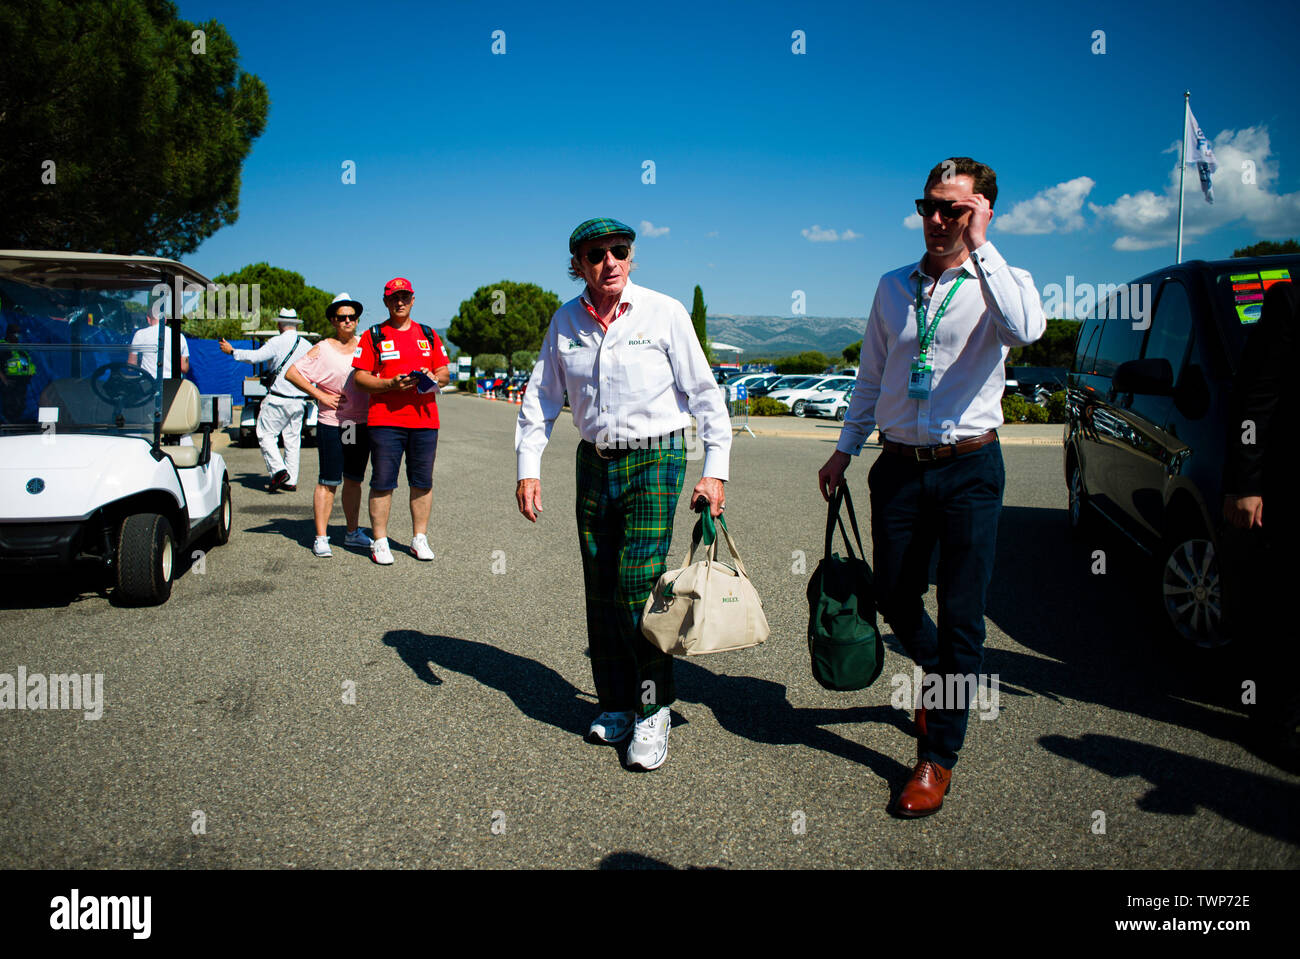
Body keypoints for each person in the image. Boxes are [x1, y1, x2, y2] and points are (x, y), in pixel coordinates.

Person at [817, 158, 1045, 817]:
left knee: (963, 615)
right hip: (899, 465)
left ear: (983, 212)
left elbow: (1026, 330)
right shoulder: (892, 286)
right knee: (891, 594)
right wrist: (843, 449)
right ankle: (945, 679)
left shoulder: (1002, 281)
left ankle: (937, 757)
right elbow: (870, 377)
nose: (938, 219)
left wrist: (980, 251)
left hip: (971, 467)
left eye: (955, 209)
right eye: (930, 207)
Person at [515, 217, 732, 771]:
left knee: (638, 584)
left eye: (619, 251)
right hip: (594, 461)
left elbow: (705, 395)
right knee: (601, 584)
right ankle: (615, 703)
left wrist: (716, 470)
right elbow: (541, 397)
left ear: (631, 258)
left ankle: (653, 706)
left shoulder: (664, 312)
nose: (609, 261)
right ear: (578, 264)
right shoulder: (565, 321)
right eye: (596, 254)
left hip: (657, 457)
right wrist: (528, 468)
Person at [1222, 280, 1297, 761]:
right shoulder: (1290, 302)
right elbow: (1257, 397)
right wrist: (1246, 483)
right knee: (1285, 613)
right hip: (1287, 483)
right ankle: (1275, 722)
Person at [351, 277, 450, 565]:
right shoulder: (373, 335)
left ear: (413, 299)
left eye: (404, 297)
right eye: (394, 297)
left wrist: (432, 377)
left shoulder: (429, 334)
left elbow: (444, 373)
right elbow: (359, 378)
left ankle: (419, 538)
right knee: (383, 481)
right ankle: (380, 540)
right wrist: (389, 385)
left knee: (422, 482)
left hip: (425, 421)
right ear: (385, 301)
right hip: (385, 421)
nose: (400, 302)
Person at [285, 293, 374, 558]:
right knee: (328, 480)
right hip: (333, 423)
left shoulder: (366, 344)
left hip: (360, 423)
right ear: (333, 321)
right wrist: (320, 395)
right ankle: (321, 537)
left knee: (354, 480)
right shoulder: (323, 348)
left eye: (352, 317)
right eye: (341, 317)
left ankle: (351, 532)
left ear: (357, 320)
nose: (347, 321)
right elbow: (292, 373)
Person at [220, 308, 313, 492]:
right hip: (299, 400)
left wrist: (232, 351)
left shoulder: (276, 342)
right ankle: (291, 480)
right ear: (295, 324)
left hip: (278, 398)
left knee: (265, 434)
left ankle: (278, 471)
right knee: (292, 440)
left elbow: (255, 358)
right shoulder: (307, 345)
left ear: (279, 324)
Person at [129, 307, 189, 379]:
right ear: (165, 319)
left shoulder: (140, 334)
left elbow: (131, 366)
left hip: (148, 383)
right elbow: (184, 368)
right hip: (173, 384)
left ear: (148, 319)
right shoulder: (179, 336)